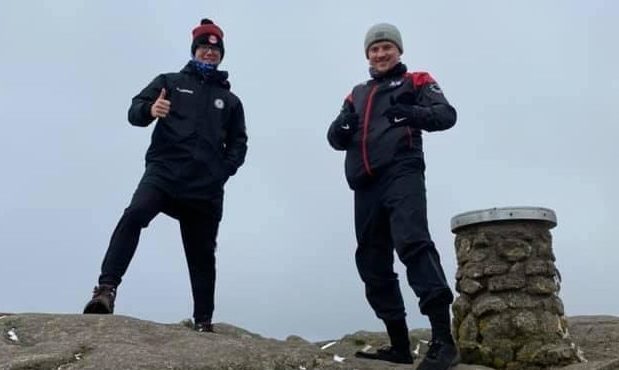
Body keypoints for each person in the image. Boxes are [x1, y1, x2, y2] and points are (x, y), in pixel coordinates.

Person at [83, 18, 248, 333]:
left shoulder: (230, 100)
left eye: (215, 50)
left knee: (202, 254)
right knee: (134, 215)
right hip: (164, 173)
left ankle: (203, 321)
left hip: (205, 187)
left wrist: (222, 172)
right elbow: (135, 110)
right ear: (194, 51)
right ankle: (105, 290)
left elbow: (239, 142)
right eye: (204, 48)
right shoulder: (170, 82)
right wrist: (149, 111)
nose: (209, 54)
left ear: (221, 55)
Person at [327, 23, 458, 369]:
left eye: (387, 47)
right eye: (374, 49)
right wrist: (339, 130)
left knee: (413, 245)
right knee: (372, 263)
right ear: (367, 54)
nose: (381, 53)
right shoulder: (355, 93)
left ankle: (444, 341)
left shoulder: (416, 80)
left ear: (399, 51)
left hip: (402, 171)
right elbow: (335, 136)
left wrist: (412, 113)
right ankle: (400, 346)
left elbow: (446, 115)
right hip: (364, 184)